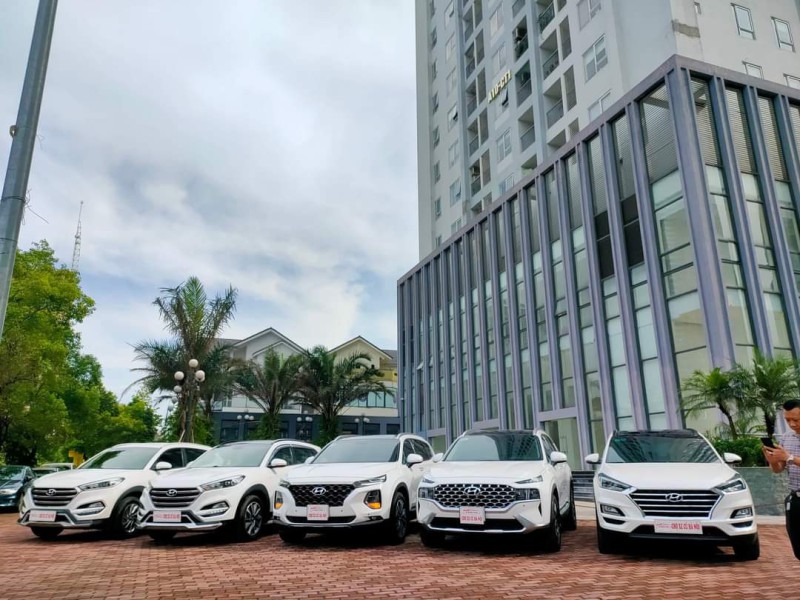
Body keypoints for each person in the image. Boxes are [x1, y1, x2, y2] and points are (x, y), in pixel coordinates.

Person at [763, 399, 800, 560]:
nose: (792, 424)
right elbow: (779, 469)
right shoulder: (786, 438)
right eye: (787, 420)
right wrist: (773, 461)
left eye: (796, 420)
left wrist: (789, 457)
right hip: (796, 499)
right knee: (798, 545)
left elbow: (788, 458)